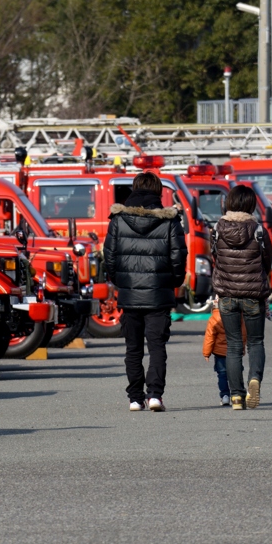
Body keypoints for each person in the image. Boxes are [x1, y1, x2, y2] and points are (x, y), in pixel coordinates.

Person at [104, 171, 187, 412]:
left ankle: (134, 398)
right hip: (159, 294)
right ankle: (155, 396)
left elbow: (109, 256)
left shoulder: (118, 219)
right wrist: (174, 282)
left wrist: (120, 280)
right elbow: (178, 256)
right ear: (158, 192)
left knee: (133, 348)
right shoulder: (169, 220)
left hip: (129, 293)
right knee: (157, 346)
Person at [212, 184, 272, 410]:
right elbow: (267, 261)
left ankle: (236, 396)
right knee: (255, 342)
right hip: (252, 294)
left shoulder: (217, 229)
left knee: (234, 345)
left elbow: (214, 257)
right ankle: (254, 380)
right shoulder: (258, 230)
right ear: (251, 204)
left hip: (227, 293)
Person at [202, 297, 246, 407]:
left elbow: (209, 337)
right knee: (236, 372)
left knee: (222, 375)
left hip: (219, 353)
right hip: (235, 351)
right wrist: (243, 346)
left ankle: (225, 396)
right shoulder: (238, 316)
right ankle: (238, 393)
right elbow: (243, 333)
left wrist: (206, 353)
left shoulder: (214, 318)